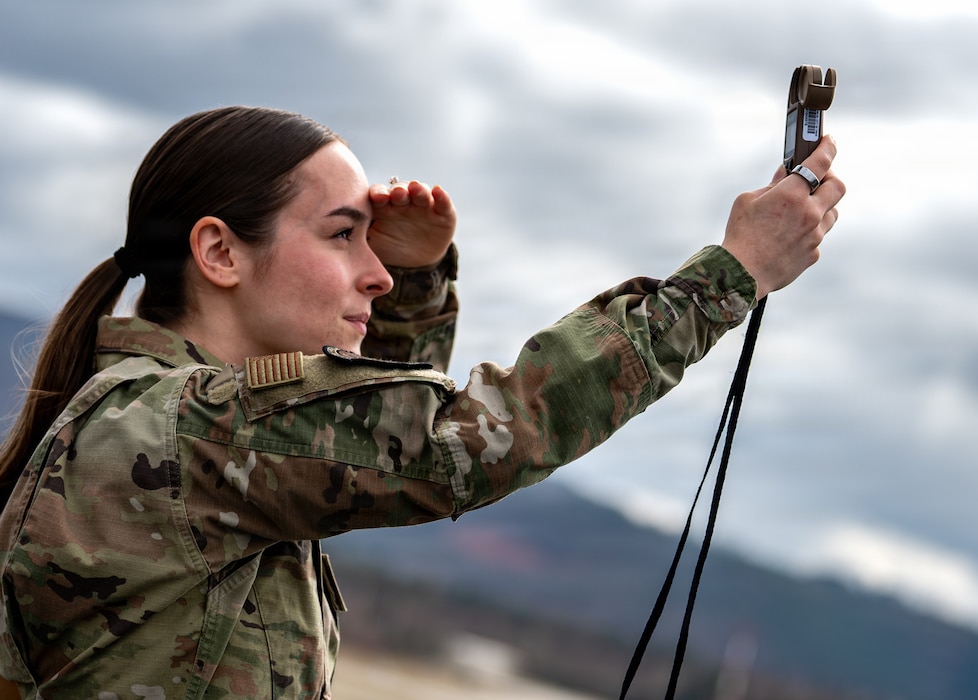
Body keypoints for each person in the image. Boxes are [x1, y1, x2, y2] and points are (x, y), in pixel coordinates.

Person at [0, 106, 844, 699]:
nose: (373, 269)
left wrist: (405, 291)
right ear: (220, 251)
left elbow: (360, 451)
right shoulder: (182, 428)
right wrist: (728, 277)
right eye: (342, 235)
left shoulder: (165, 422)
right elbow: (453, 446)